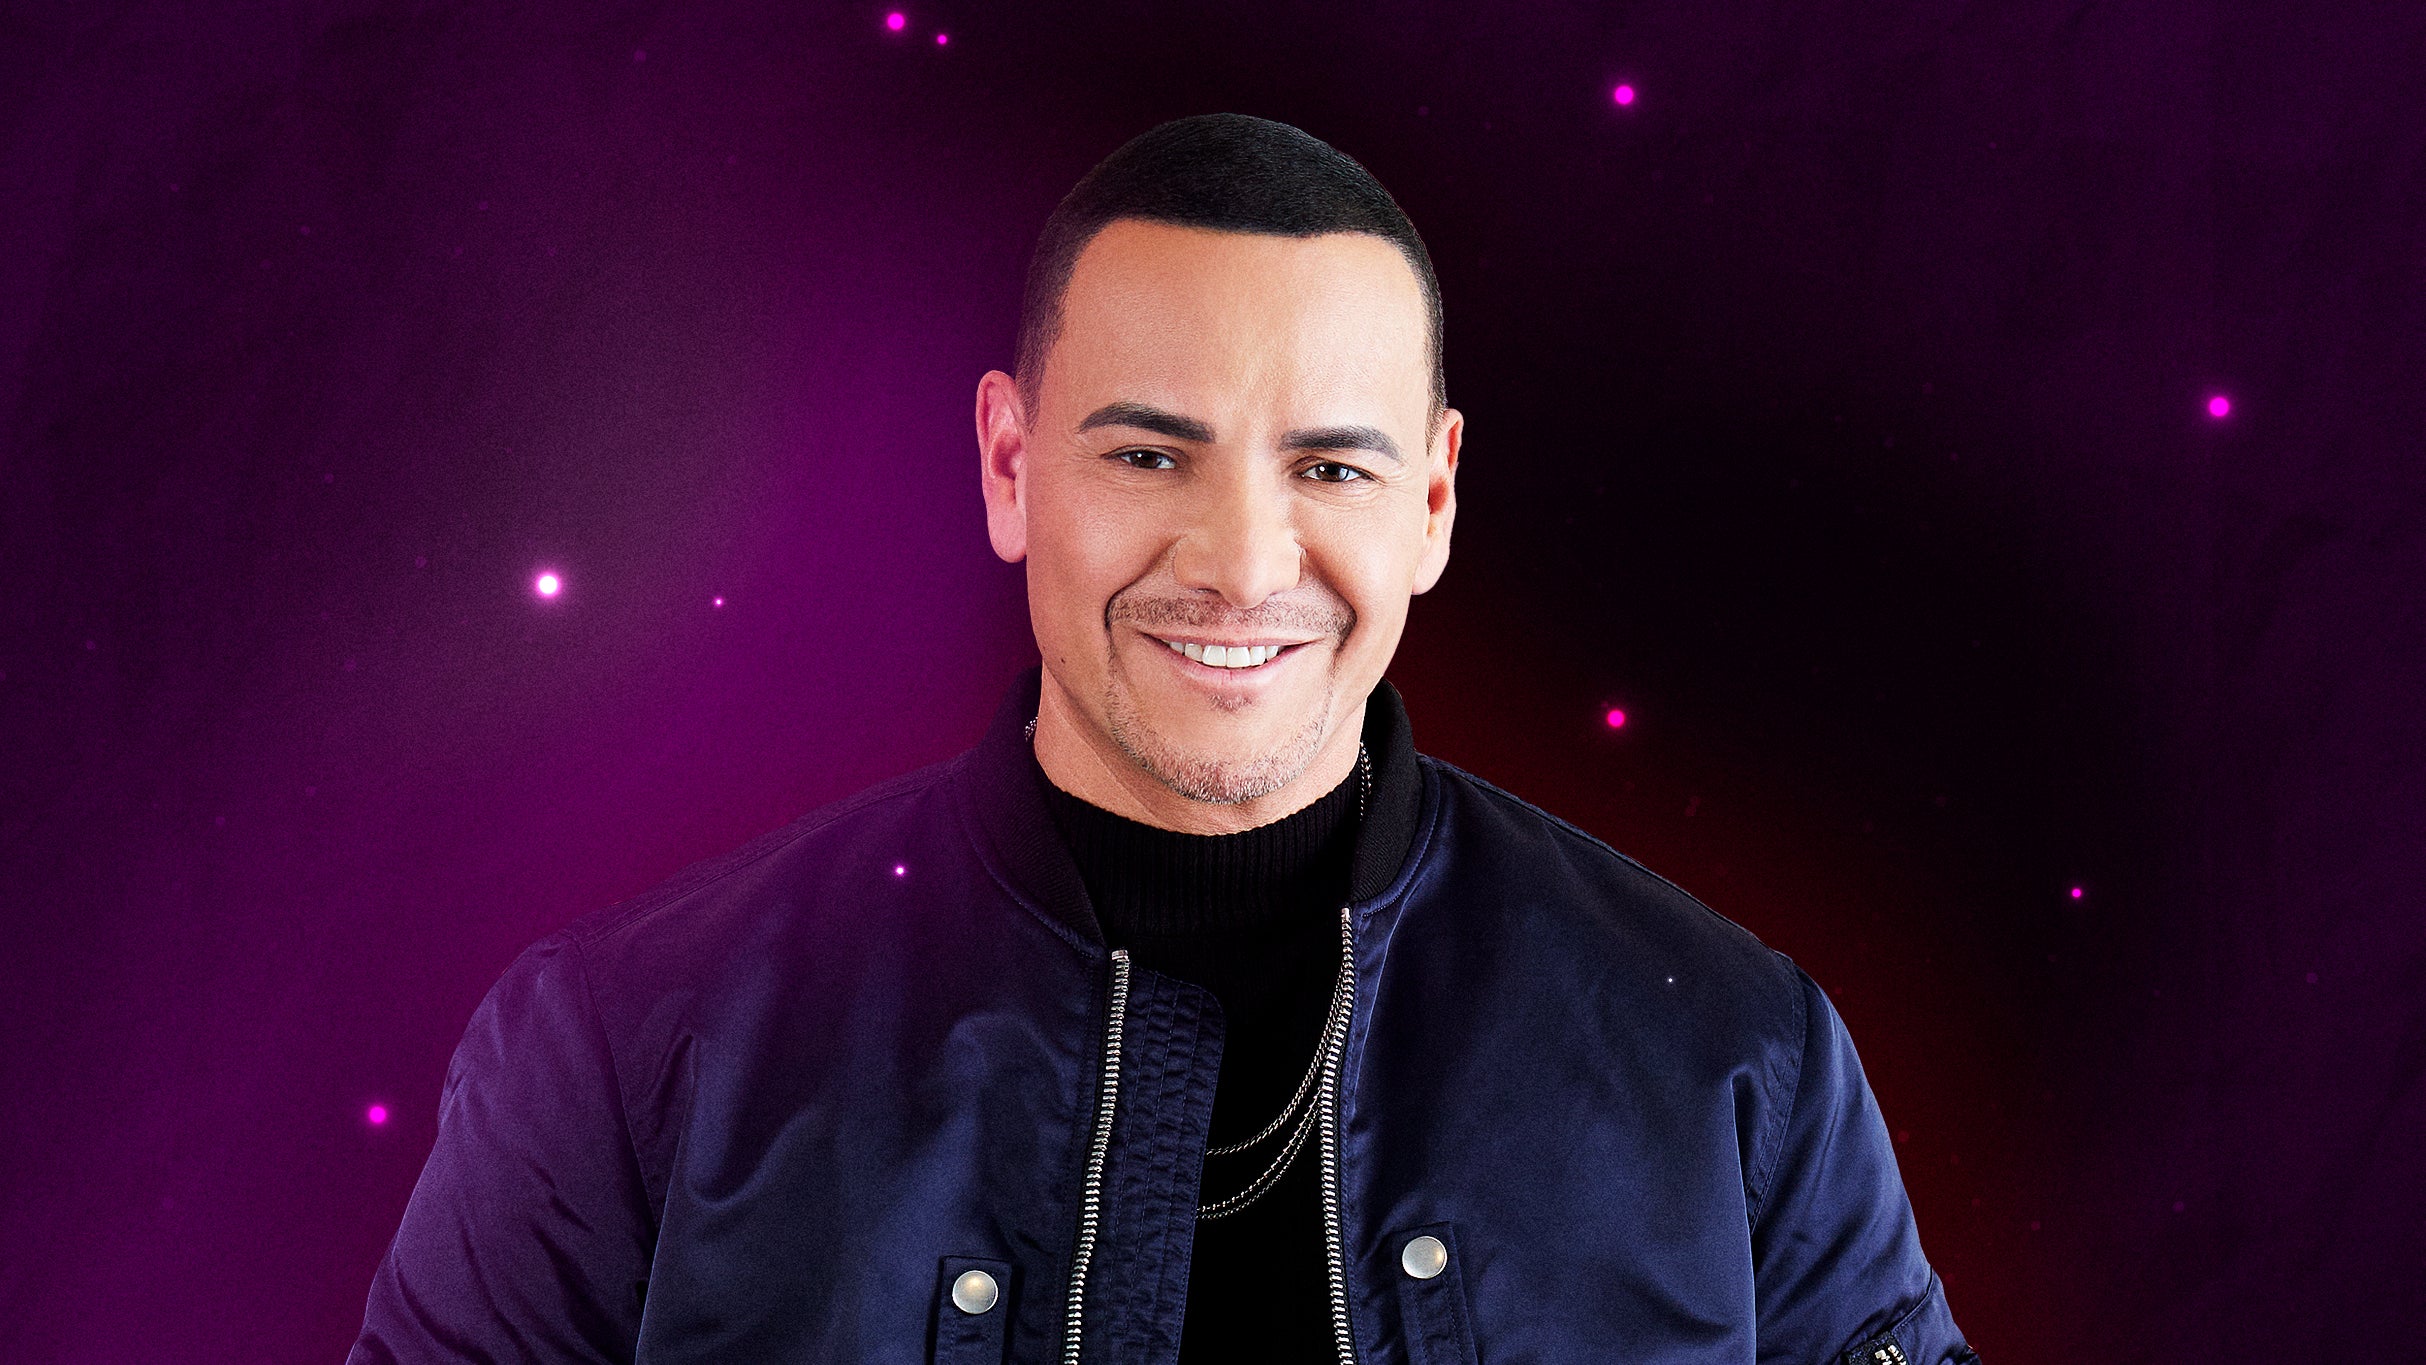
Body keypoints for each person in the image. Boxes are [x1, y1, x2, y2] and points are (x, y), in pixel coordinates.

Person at [351, 113, 1977, 1365]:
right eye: (1148, 456)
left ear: (1431, 499)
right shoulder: (619, 1052)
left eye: (1329, 468)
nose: (1242, 564)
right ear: (1009, 466)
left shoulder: (1734, 1057)